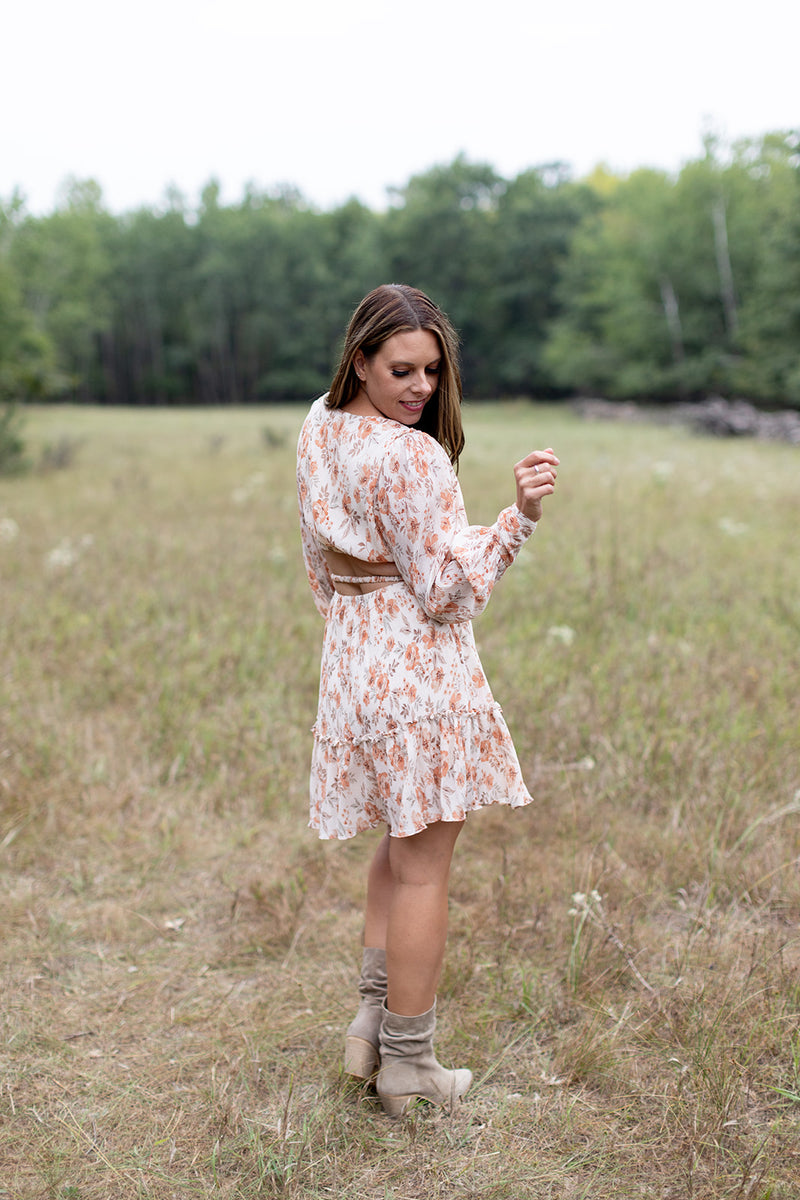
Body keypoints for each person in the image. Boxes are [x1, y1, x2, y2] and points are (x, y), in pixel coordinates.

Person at [296, 284, 558, 1117]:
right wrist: (517, 520)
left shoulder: (319, 427)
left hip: (354, 661)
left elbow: (322, 554)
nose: (419, 389)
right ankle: (410, 1065)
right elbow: (449, 591)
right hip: (415, 674)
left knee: (398, 848)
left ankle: (369, 1028)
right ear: (360, 360)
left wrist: (355, 627)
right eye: (400, 369)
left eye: (432, 372)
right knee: (423, 871)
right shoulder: (408, 456)